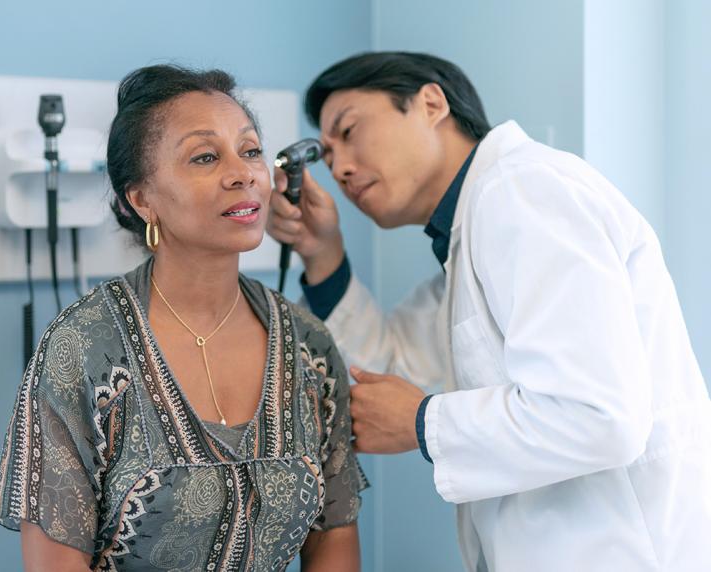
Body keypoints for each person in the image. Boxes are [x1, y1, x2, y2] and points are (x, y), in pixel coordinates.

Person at [267, 51, 711, 571]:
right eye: (326, 153)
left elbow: (600, 416)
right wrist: (323, 255)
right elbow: (389, 372)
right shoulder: (467, 238)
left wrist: (423, 422)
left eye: (350, 131)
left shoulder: (523, 190)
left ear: (430, 103)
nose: (340, 167)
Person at [0, 64, 367, 572]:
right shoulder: (83, 349)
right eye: (206, 156)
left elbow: (334, 543)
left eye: (251, 150)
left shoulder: (310, 348)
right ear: (142, 198)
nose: (243, 174)